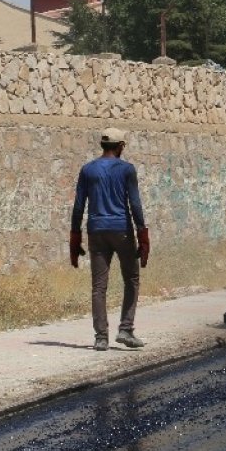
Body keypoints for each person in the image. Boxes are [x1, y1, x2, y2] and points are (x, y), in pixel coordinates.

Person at [70, 127, 150, 351]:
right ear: (120, 146)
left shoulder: (87, 170)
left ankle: (101, 337)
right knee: (132, 280)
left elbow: (78, 206)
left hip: (96, 231)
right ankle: (125, 329)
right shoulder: (126, 170)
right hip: (121, 230)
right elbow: (134, 204)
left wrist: (75, 237)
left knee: (99, 286)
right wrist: (142, 235)